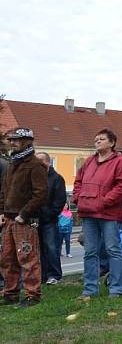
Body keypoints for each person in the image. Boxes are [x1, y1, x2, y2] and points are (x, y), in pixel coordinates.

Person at [73, 128, 122, 300]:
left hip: (108, 213)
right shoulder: (89, 161)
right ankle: (90, 289)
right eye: (96, 139)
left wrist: (104, 201)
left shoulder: (119, 162)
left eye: (102, 139)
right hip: (88, 212)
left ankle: (117, 288)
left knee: (113, 249)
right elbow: (78, 181)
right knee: (90, 251)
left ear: (112, 143)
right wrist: (78, 198)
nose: (97, 141)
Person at [0, 127, 48, 307]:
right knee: (7, 258)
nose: (12, 143)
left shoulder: (35, 165)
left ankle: (33, 295)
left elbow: (41, 194)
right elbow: (4, 191)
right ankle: (10, 293)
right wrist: (2, 213)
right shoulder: (13, 163)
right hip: (9, 219)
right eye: (10, 140)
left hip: (25, 221)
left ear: (27, 141)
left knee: (27, 258)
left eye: (16, 140)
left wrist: (24, 214)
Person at [35, 151, 66, 285]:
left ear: (48, 162)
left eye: (41, 160)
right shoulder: (35, 178)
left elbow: (59, 201)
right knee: (38, 249)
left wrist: (49, 214)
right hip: (35, 220)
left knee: (51, 247)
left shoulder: (56, 178)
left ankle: (54, 275)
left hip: (49, 220)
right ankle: (42, 275)